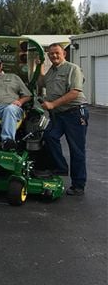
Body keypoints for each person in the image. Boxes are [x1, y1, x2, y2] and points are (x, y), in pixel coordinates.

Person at [40, 43, 89, 196]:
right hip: (59, 115)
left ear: (64, 54)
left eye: (57, 53)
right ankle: (60, 167)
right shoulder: (51, 71)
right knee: (49, 136)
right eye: (51, 54)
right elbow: (40, 82)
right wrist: (37, 65)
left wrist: (52, 104)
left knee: (76, 149)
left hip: (75, 113)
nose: (54, 56)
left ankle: (78, 185)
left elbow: (74, 92)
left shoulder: (72, 69)